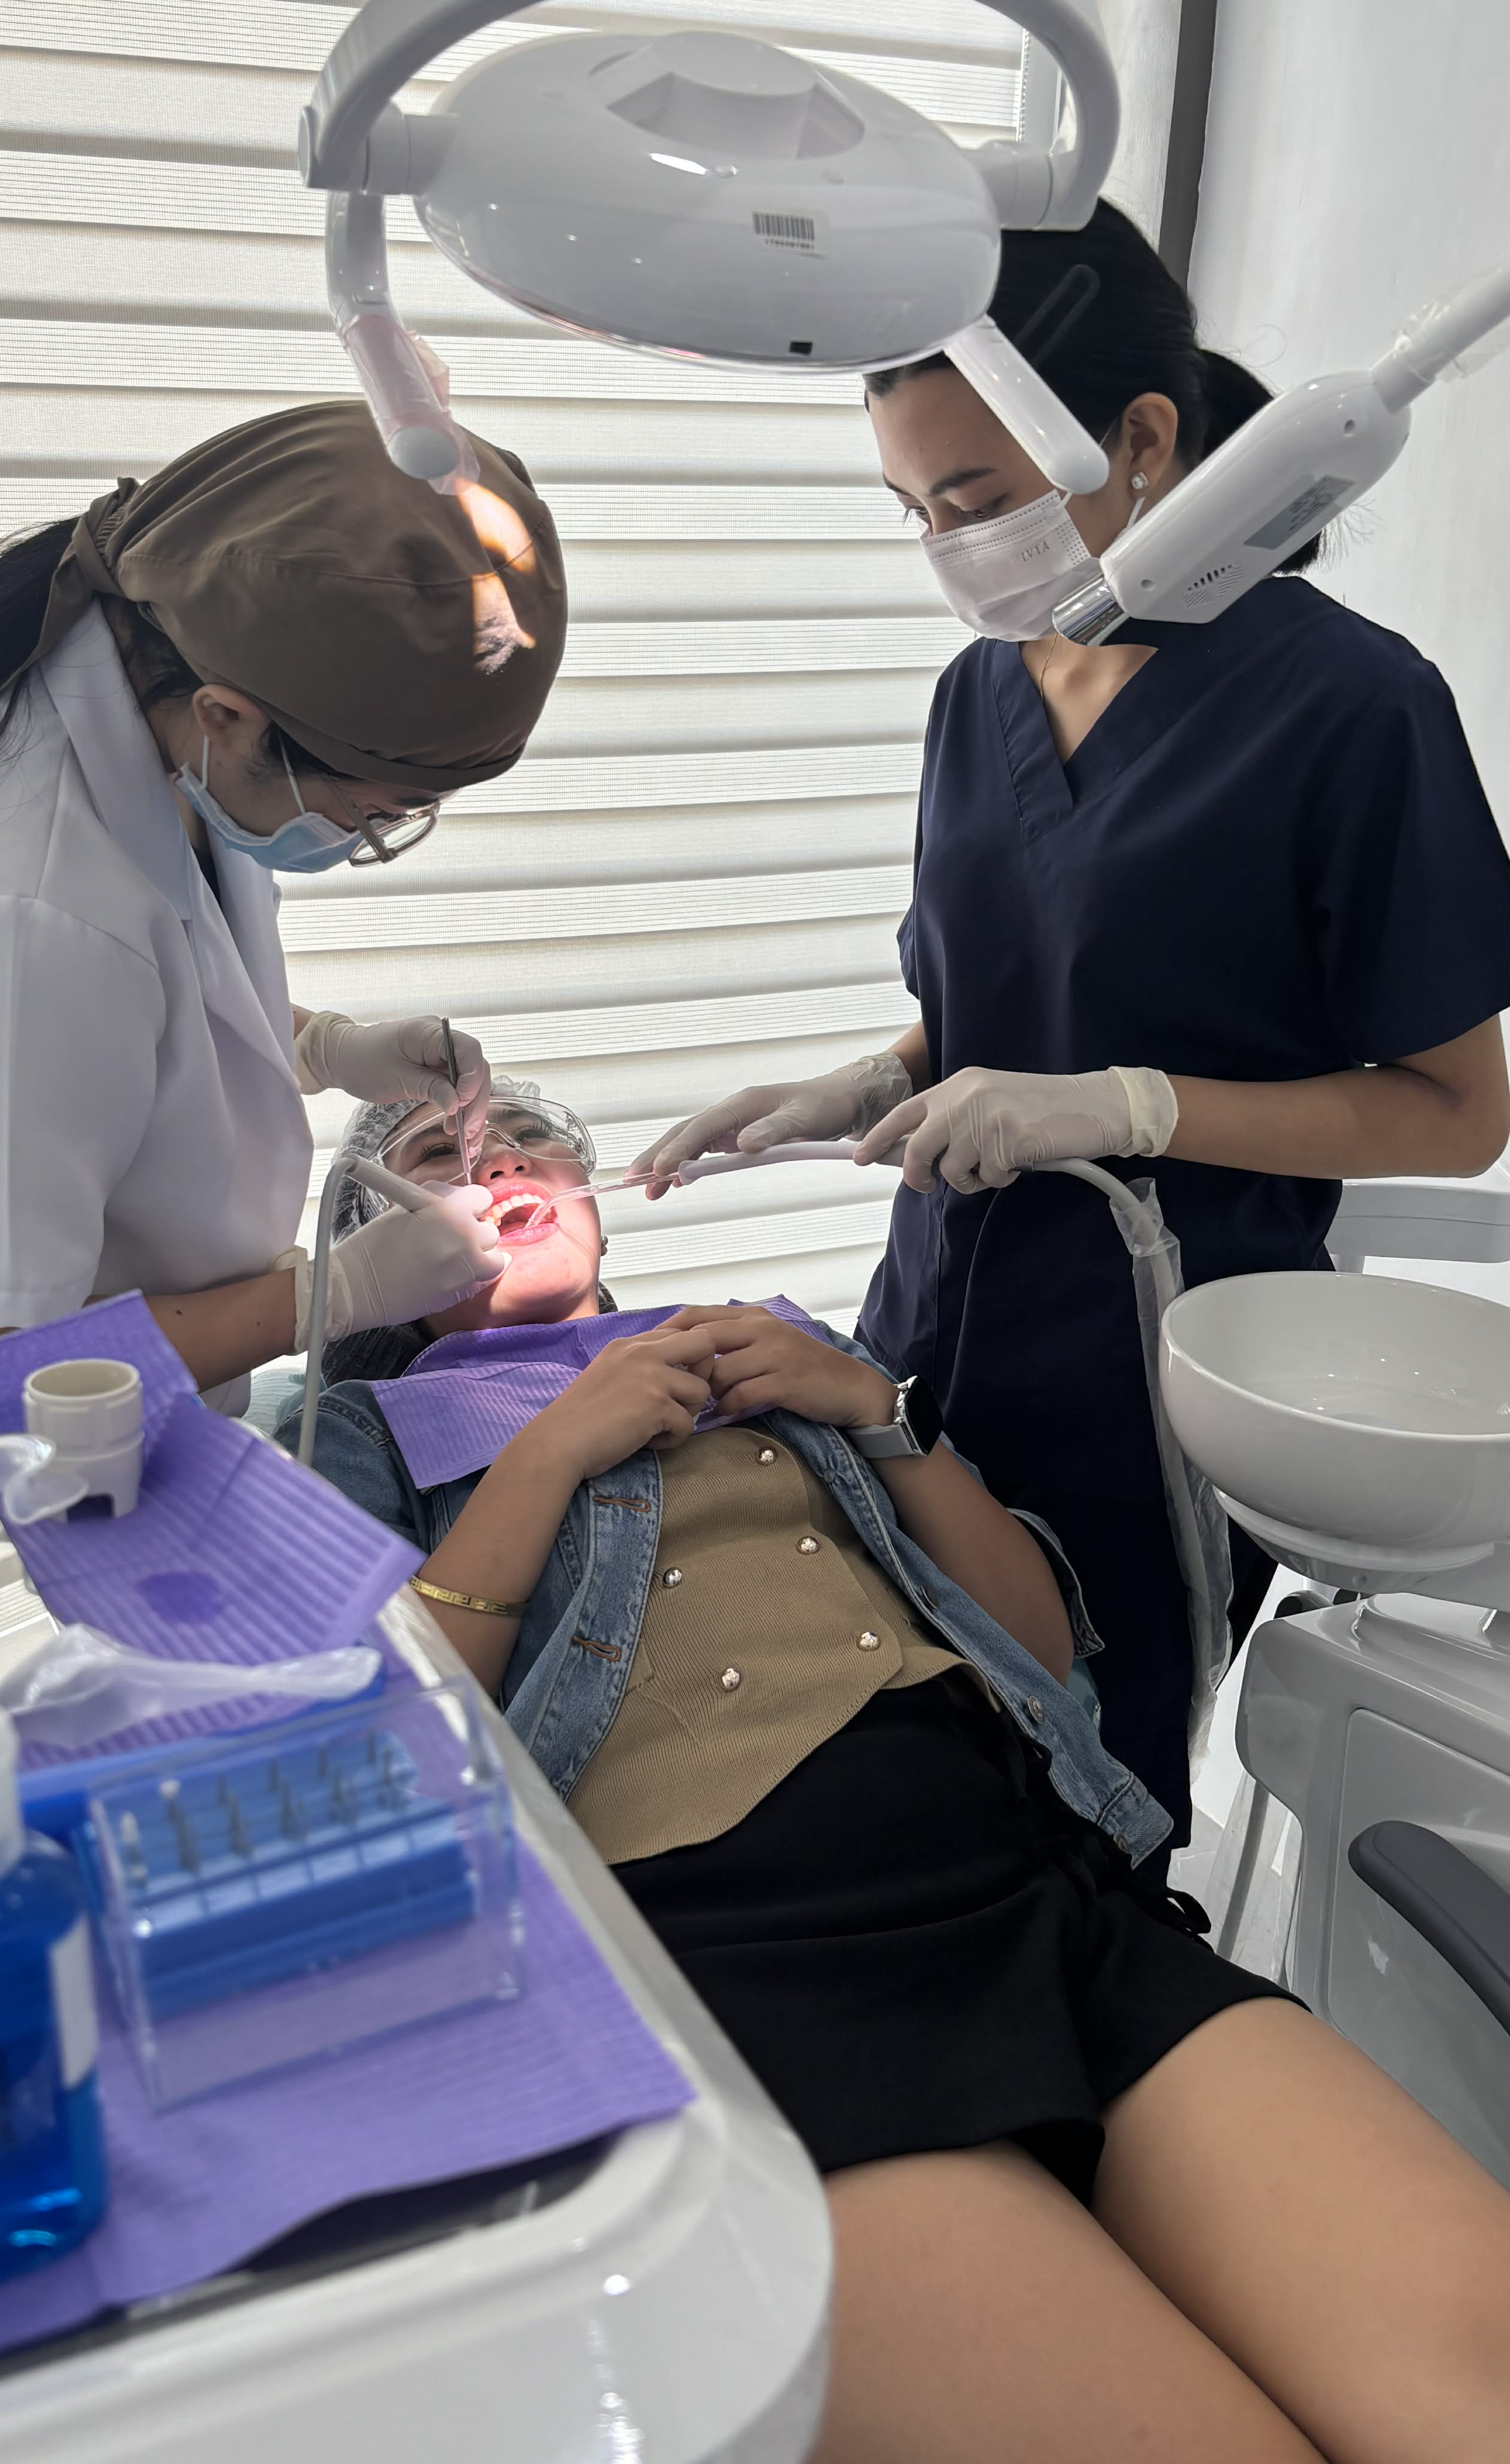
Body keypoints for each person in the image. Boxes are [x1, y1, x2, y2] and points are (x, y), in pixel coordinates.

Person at [290, 1085, 1510, 2464]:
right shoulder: (363, 1429)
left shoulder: (763, 1349)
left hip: (1040, 1892)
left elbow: (1044, 1650)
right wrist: (554, 1445)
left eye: (522, 1134)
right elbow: (367, 1754)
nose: (497, 1155)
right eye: (438, 1154)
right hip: (751, 1976)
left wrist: (879, 1410)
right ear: (379, 1243)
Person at [630, 203, 1510, 1854]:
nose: (949, 550)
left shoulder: (1353, 708)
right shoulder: (980, 692)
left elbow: (1458, 1111)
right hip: (927, 1332)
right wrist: (854, 1084)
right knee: (907, 1758)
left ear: (1144, 439)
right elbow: (991, 1006)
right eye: (915, 512)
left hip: (1159, 1370)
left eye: (975, 502)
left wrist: (1129, 1107)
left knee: (1086, 1818)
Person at [0, 402, 566, 1414]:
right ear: (227, 718)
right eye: (379, 813)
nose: (368, 838)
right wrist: (335, 1296)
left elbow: (137, 1013)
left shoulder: (176, 731)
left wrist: (325, 1048)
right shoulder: (5, 912)